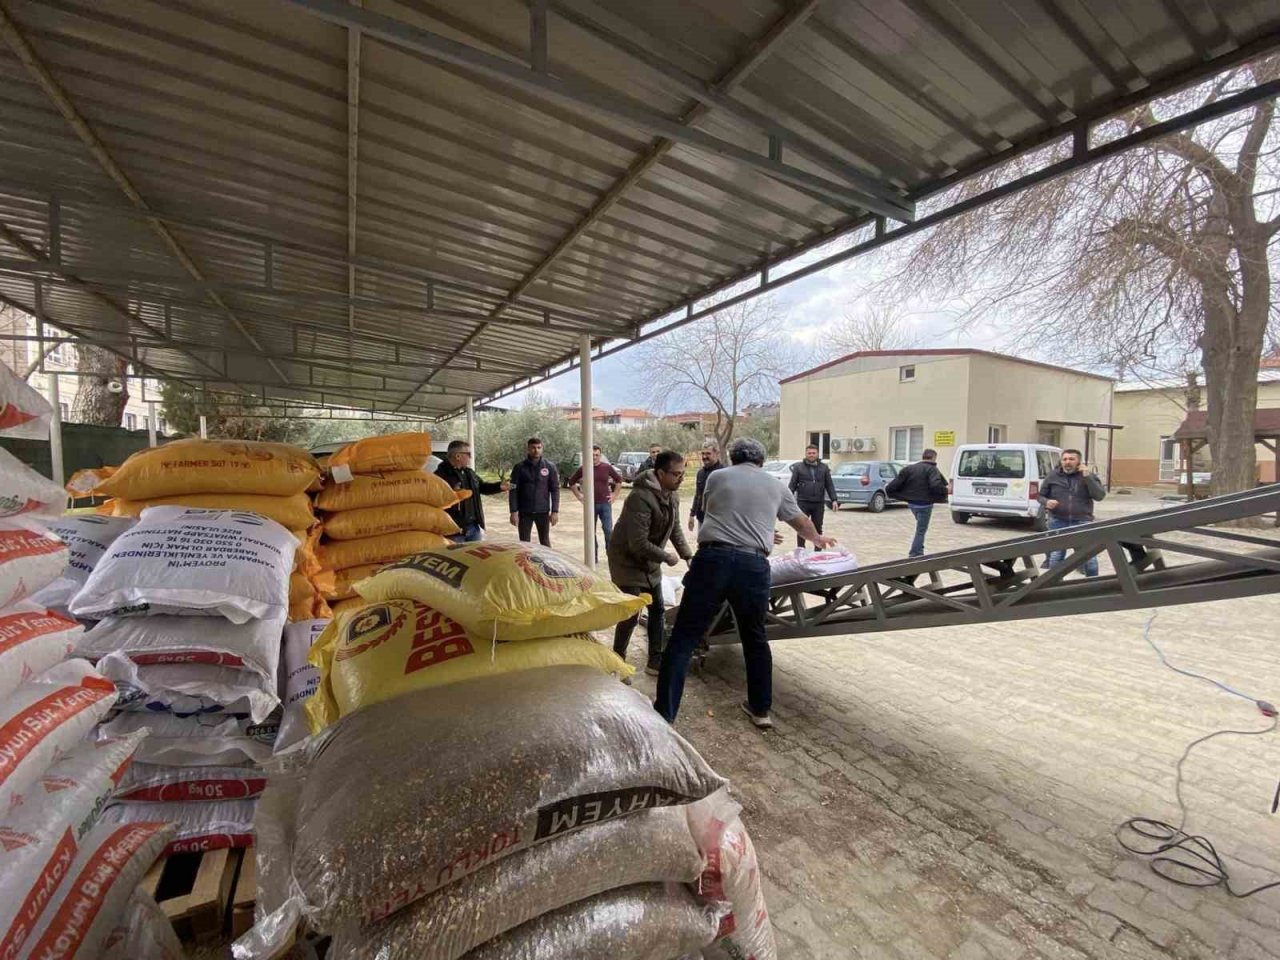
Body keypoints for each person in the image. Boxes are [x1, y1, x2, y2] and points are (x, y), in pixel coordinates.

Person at [654, 437, 836, 730]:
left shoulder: (716, 477)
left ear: (734, 457)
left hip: (713, 558)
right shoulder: (775, 485)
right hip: (753, 565)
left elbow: (715, 507)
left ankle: (665, 714)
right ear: (761, 461)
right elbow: (801, 522)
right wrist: (818, 539)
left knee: (685, 636)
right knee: (754, 637)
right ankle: (760, 709)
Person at [608, 451, 693, 676]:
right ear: (661, 473)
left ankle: (655, 661)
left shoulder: (671, 495)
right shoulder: (639, 497)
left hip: (650, 561)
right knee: (631, 614)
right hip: (626, 561)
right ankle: (617, 664)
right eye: (676, 474)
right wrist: (666, 557)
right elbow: (637, 543)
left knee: (657, 610)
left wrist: (687, 555)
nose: (681, 478)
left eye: (683, 473)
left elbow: (674, 529)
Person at [1039, 449, 1106, 577]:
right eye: (1064, 459)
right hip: (1058, 521)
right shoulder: (1053, 476)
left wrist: (1087, 477)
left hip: (1082, 521)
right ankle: (1053, 588)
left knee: (1089, 558)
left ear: (1078, 462)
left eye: (1071, 459)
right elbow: (1040, 496)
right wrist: (1046, 502)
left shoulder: (1088, 476)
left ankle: (1094, 587)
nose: (1067, 462)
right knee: (1056, 557)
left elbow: (1099, 496)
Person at [435, 440, 510, 542]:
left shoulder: (469, 473)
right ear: (458, 456)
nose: (470, 457)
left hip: (474, 528)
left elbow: (482, 487)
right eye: (468, 454)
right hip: (454, 531)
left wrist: (499, 486)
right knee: (456, 558)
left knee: (475, 558)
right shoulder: (439, 476)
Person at [885, 449, 949, 558]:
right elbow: (935, 485)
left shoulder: (909, 469)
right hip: (925, 505)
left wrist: (900, 495)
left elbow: (892, 486)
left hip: (912, 504)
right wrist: (946, 491)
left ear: (923, 456)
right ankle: (916, 553)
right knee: (921, 530)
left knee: (920, 527)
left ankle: (919, 548)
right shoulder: (932, 470)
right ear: (933, 457)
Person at [569, 445, 623, 561]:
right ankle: (593, 557)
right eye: (592, 455)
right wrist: (579, 496)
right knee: (590, 532)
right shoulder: (584, 468)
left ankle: (611, 557)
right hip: (590, 505)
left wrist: (614, 495)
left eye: (597, 455)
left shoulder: (607, 467)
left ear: (600, 456)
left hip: (605, 504)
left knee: (608, 530)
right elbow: (571, 482)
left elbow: (619, 480)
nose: (594, 457)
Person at [509, 437, 560, 547]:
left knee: (545, 541)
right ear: (528, 449)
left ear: (542, 449)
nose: (536, 450)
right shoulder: (519, 467)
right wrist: (513, 511)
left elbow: (555, 489)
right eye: (533, 448)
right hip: (524, 512)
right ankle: (525, 564)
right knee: (524, 543)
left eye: (539, 447)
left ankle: (547, 564)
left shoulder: (550, 467)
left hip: (543, 511)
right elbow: (513, 490)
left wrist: (555, 511)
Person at [788, 445, 839, 547]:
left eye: (813, 453)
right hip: (803, 502)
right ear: (806, 454)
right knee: (802, 527)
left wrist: (834, 500)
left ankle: (818, 552)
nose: (811, 455)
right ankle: (801, 550)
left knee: (818, 527)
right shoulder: (798, 467)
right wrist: (787, 500)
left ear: (817, 454)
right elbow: (792, 485)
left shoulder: (824, 468)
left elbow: (829, 485)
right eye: (809, 453)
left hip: (818, 503)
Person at [687, 442, 723, 532]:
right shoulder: (700, 473)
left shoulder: (723, 472)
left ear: (717, 454)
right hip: (702, 519)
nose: (704, 457)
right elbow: (697, 495)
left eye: (708, 453)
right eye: (703, 453)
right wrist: (692, 515)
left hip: (718, 521)